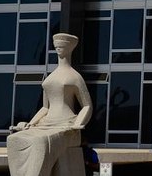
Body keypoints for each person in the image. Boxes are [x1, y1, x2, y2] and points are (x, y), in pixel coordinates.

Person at [7, 33, 93, 176]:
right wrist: (31, 123)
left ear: (70, 48)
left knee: (40, 142)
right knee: (14, 139)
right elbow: (45, 107)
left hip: (66, 126)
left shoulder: (75, 76)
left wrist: (76, 125)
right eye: (57, 46)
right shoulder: (51, 76)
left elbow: (87, 105)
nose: (59, 48)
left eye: (63, 45)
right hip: (45, 124)